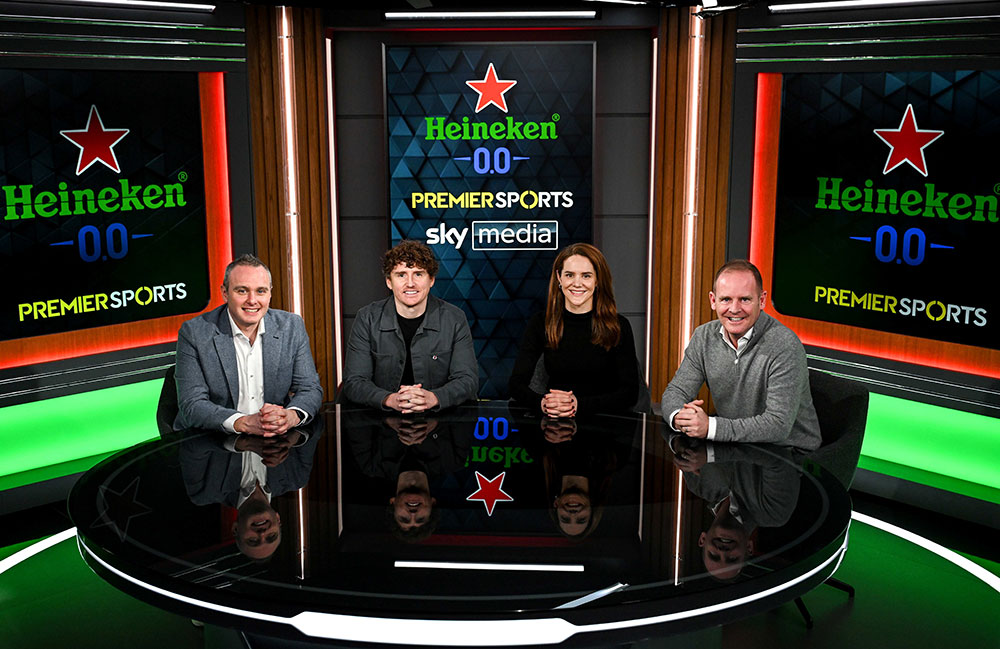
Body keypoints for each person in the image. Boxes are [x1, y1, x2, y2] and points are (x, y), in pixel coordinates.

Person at [660, 259, 820, 451]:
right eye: (726, 299)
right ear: (713, 301)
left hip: (789, 453)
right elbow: (676, 391)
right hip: (737, 446)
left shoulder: (784, 344)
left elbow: (778, 425)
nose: (734, 309)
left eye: (744, 299)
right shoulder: (704, 337)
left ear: (761, 300)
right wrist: (679, 416)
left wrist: (711, 427)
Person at [174, 254, 323, 434]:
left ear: (270, 293)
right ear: (225, 293)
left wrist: (291, 416)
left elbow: (309, 388)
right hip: (212, 438)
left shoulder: (291, 326)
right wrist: (242, 422)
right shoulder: (195, 332)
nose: (252, 300)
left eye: (261, 291)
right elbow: (192, 404)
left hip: (274, 437)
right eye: (242, 291)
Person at [342, 240, 478, 411]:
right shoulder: (367, 318)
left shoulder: (454, 318)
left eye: (418, 274)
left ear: (431, 280)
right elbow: (354, 381)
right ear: (389, 282)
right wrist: (390, 399)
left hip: (440, 420)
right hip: (380, 421)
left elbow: (467, 380)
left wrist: (434, 398)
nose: (410, 283)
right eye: (401, 275)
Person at [508, 243, 639, 416]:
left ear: (597, 280)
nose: (577, 283)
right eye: (569, 275)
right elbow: (516, 384)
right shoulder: (541, 323)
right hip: (554, 420)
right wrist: (543, 403)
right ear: (559, 278)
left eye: (586, 276)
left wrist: (577, 405)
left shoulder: (618, 325)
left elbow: (630, 393)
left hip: (604, 422)